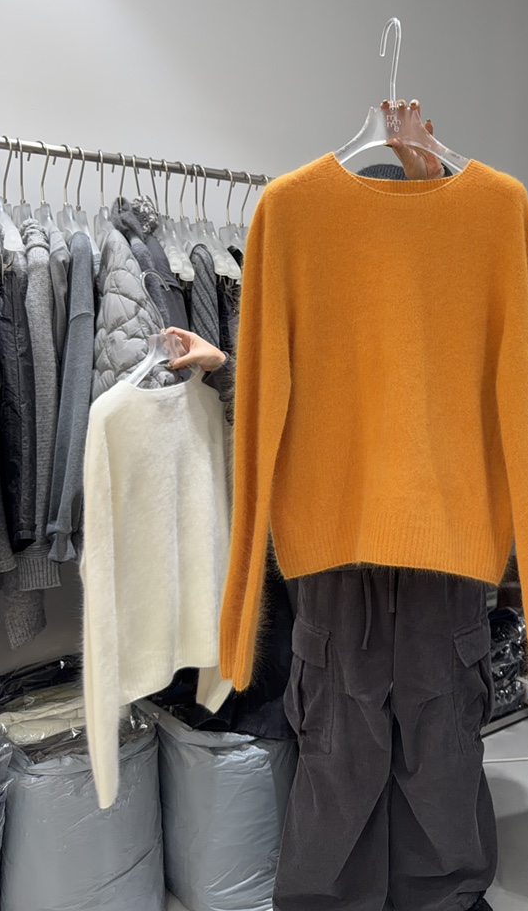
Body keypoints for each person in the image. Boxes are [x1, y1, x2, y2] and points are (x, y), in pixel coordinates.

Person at [171, 105, 497, 911]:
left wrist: (439, 209)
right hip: (342, 560)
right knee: (343, 754)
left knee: (437, 748)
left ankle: (442, 898)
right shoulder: (315, 264)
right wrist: (224, 367)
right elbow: (287, 392)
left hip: (436, 557)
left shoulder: (458, 284)